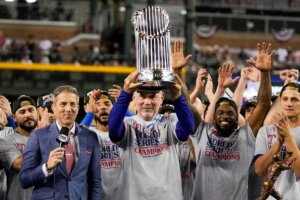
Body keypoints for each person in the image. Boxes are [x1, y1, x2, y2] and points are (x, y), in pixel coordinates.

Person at [191, 42, 274, 200]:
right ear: (213, 117)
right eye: (220, 112)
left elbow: (263, 104)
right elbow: (187, 108)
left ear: (238, 118)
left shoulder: (246, 136)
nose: (225, 115)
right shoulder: (203, 132)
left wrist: (265, 73)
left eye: (230, 113)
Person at [108, 71, 195, 200]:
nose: (147, 102)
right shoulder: (128, 124)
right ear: (134, 98)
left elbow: (188, 127)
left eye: (153, 96)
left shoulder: (170, 121)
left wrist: (177, 96)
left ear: (162, 97)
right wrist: (125, 92)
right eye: (142, 96)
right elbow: (114, 130)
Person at [19, 85, 102, 200]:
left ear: (78, 108)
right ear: (53, 107)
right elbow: (24, 179)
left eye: (73, 104)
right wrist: (46, 167)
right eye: (63, 104)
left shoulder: (90, 137)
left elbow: (95, 181)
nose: (68, 109)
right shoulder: (38, 136)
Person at [254, 82, 300, 200]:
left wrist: (288, 136)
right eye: (285, 99)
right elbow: (259, 170)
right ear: (280, 101)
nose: (289, 104)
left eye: (294, 99)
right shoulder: (265, 131)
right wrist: (277, 144)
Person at [0, 95, 39, 200]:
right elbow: (21, 165)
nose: (27, 114)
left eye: (31, 110)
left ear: (37, 113)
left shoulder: (49, 137)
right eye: (22, 112)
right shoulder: (6, 141)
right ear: (14, 118)